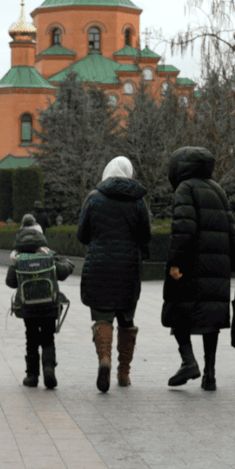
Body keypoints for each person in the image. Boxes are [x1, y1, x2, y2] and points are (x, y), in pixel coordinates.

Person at [161, 147, 235, 391]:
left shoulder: (185, 188)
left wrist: (176, 262)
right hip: (217, 267)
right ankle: (210, 375)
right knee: (211, 319)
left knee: (178, 310)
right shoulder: (217, 189)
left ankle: (188, 362)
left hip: (191, 265)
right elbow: (231, 229)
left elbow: (183, 228)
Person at [77, 156, 152, 392]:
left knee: (102, 317)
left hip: (99, 266)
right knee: (126, 320)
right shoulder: (138, 202)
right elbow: (146, 236)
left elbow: (82, 235)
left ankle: (104, 359)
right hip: (128, 267)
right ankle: (124, 373)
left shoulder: (94, 198)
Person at [6, 215, 74, 389]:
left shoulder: (18, 258)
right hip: (49, 305)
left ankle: (32, 376)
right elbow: (62, 273)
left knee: (31, 339)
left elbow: (10, 282)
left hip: (28, 307)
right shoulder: (48, 254)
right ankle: (49, 369)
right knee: (48, 338)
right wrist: (68, 264)